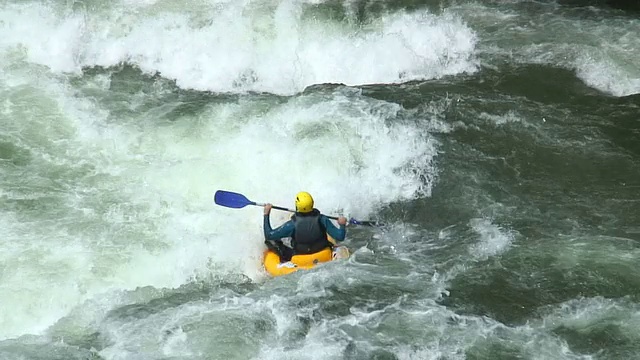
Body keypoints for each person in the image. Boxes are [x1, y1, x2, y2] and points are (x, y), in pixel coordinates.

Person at [263, 191, 347, 268]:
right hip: (324, 255)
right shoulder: (322, 219)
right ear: (312, 204)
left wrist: (266, 214)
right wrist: (342, 225)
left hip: (301, 260)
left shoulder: (291, 225)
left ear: (297, 205)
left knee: (272, 241)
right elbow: (340, 237)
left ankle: (283, 261)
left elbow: (269, 235)